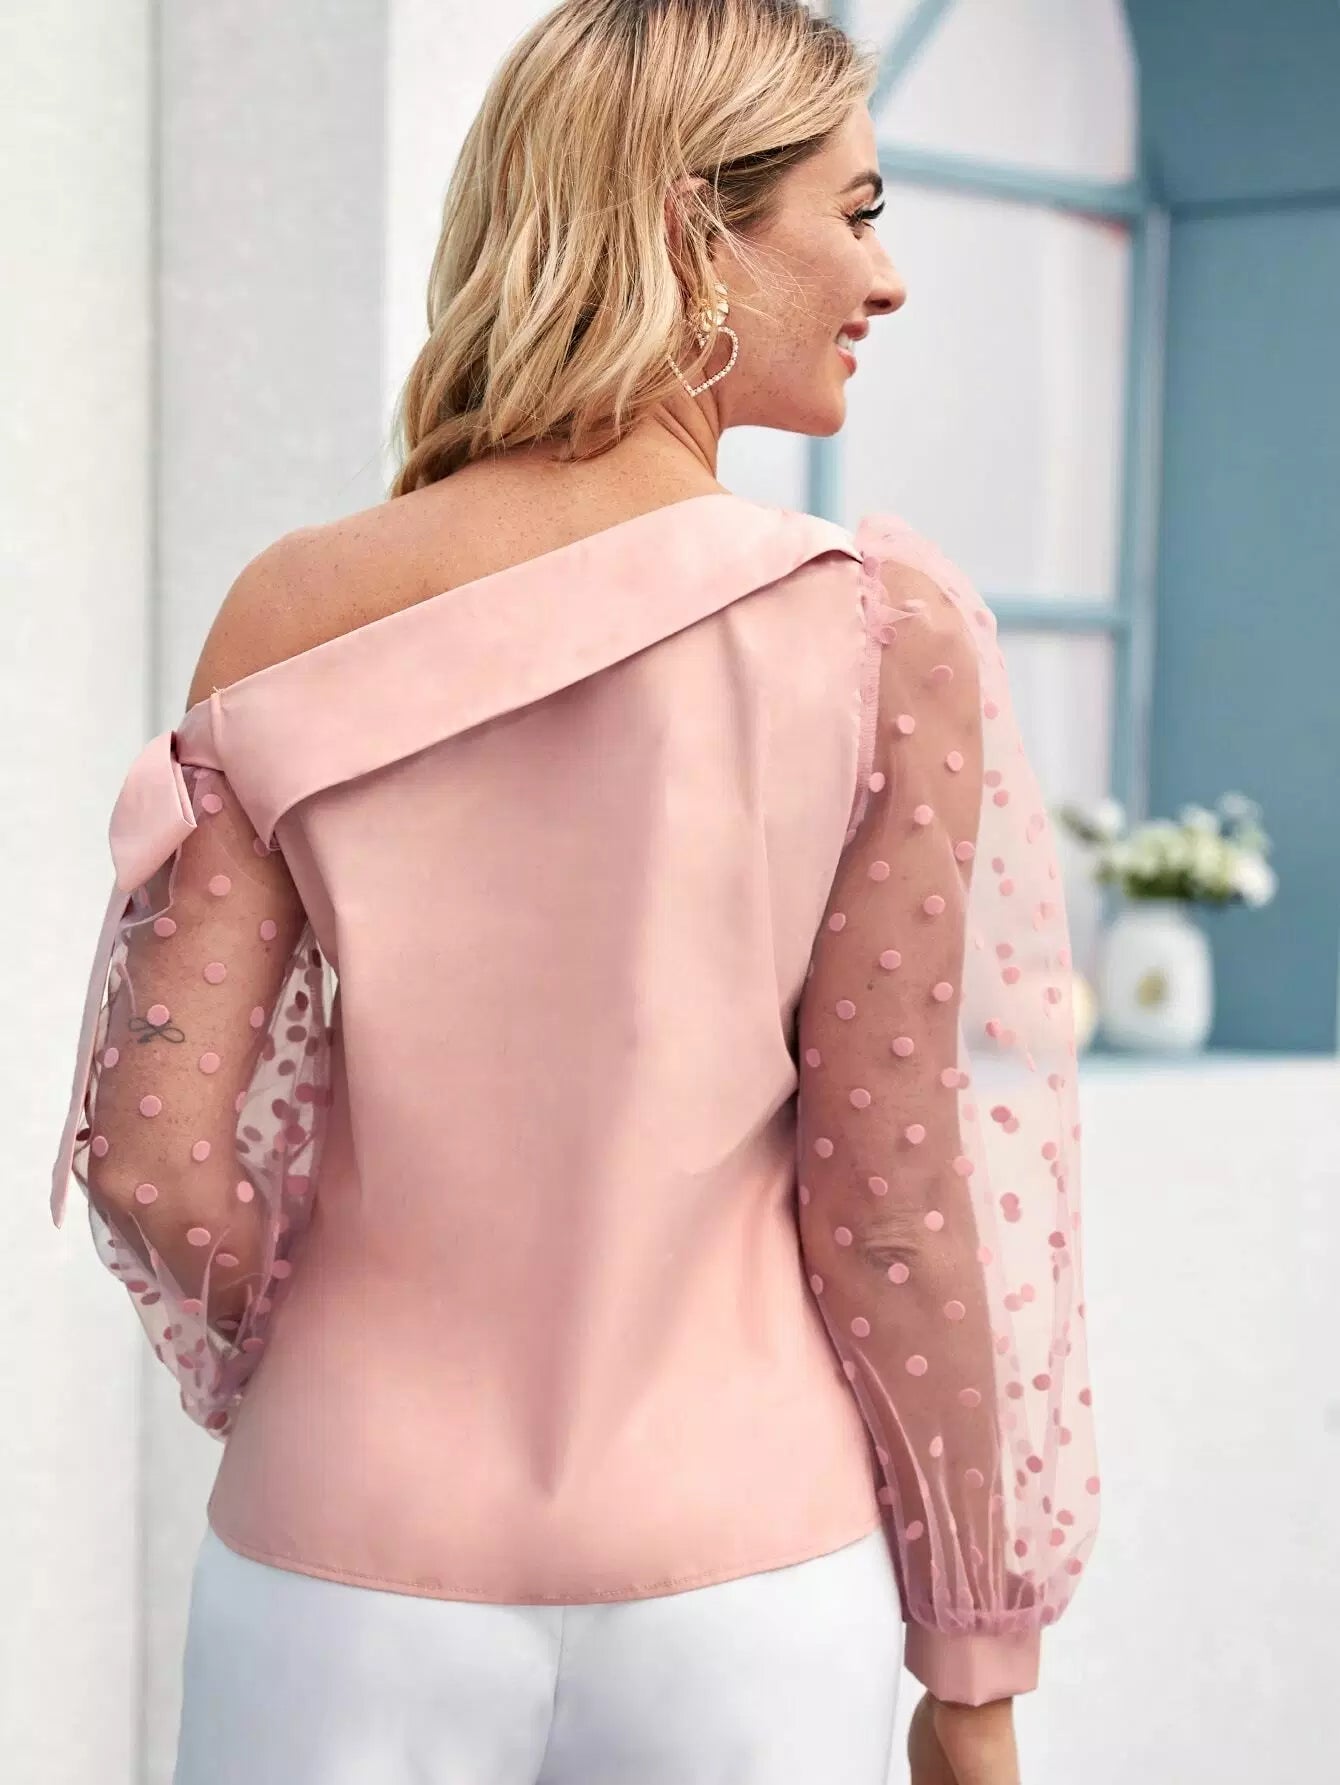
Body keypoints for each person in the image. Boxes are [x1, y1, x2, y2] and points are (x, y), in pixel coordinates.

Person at [47, 3, 1099, 1780]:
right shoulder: (874, 629)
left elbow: (149, 1159)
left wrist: (316, 1369)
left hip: (343, 1557)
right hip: (748, 1577)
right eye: (854, 213)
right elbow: (895, 1198)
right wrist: (974, 1662)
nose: (889, 276)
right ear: (693, 227)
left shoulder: (294, 608)